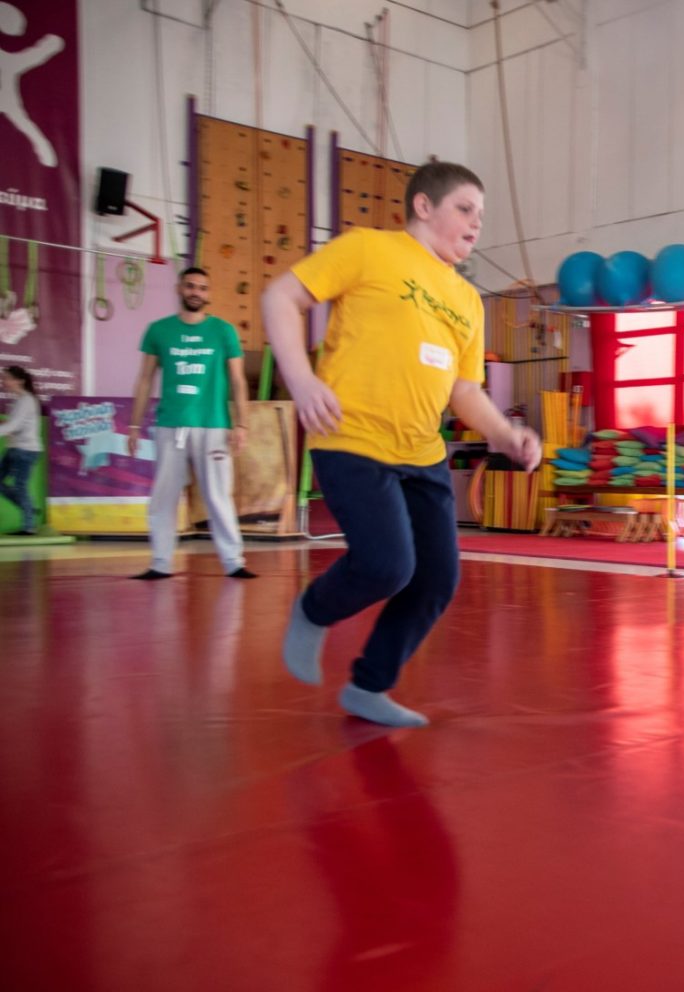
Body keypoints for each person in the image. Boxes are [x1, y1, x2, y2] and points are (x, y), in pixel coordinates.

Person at [261, 161, 540, 729]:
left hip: (422, 453)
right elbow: (280, 297)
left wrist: (503, 433)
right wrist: (302, 380)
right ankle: (314, 610)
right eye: (465, 209)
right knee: (387, 566)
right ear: (423, 206)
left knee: (436, 579)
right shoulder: (368, 249)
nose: (476, 223)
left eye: (481, 215)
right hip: (353, 438)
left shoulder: (467, 300)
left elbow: (465, 390)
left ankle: (369, 686)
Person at [127, 267, 255, 580]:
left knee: (218, 496)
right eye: (190, 286)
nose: (196, 292)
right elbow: (144, 380)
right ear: (179, 289)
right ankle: (160, 563)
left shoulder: (224, 331)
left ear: (208, 294)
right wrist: (133, 426)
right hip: (171, 424)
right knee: (164, 496)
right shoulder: (158, 330)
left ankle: (233, 562)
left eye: (202, 287)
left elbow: (238, 381)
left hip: (214, 425)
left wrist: (242, 425)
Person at [0, 365, 42, 534]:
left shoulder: (26, 400)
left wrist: (7, 427)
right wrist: (6, 425)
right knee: (18, 487)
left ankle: (29, 527)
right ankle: (28, 507)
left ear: (20, 381)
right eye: (3, 378)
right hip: (15, 448)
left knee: (20, 486)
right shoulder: (18, 401)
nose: (4, 381)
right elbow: (15, 426)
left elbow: (14, 426)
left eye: (7, 378)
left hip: (25, 450)